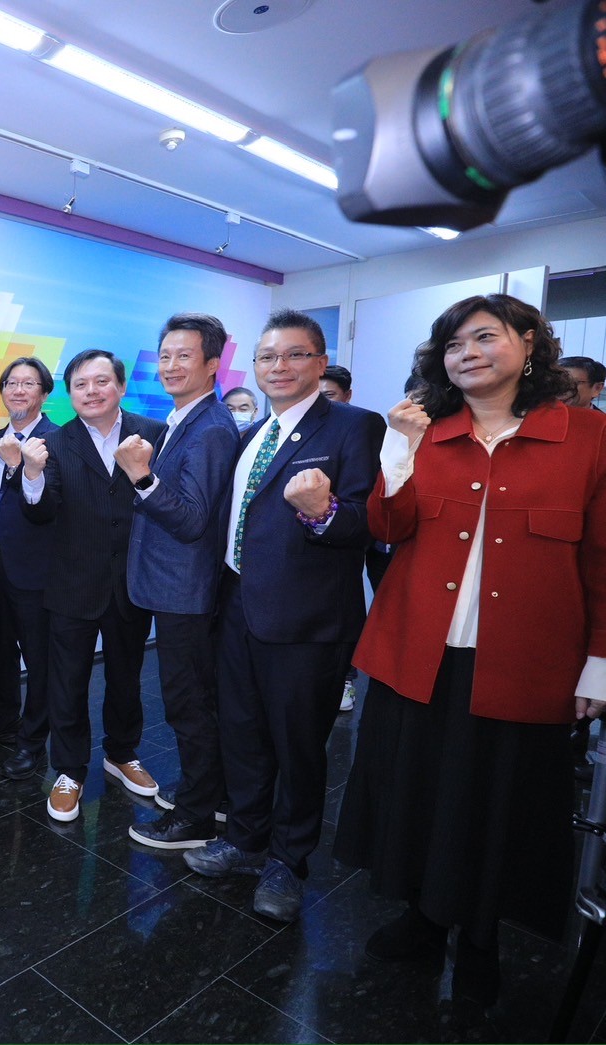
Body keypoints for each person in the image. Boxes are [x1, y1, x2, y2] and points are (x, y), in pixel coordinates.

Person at [336, 294, 606, 1007]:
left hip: (524, 663)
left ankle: (481, 938)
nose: (467, 353)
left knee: (497, 806)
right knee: (417, 792)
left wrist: (600, 660)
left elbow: (603, 558)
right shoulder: (427, 430)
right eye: (453, 345)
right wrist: (398, 447)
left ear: (528, 343)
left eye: (485, 337)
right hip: (419, 652)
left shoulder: (587, 436)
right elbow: (387, 526)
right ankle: (422, 918)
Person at [182, 309, 378, 924]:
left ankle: (288, 862)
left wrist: (323, 510)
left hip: (305, 622)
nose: (279, 366)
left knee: (298, 746)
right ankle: (245, 841)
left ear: (321, 363)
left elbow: (368, 522)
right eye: (267, 357)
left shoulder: (353, 426)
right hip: (237, 607)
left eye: (295, 354)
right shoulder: (251, 435)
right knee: (242, 733)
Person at [20, 350, 166, 822]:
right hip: (72, 583)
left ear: (120, 386)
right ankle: (68, 770)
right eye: (80, 385)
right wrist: (31, 475)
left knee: (127, 676)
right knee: (67, 683)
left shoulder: (154, 432)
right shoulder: (53, 443)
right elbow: (41, 511)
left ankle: (122, 753)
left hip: (131, 582)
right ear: (70, 394)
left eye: (101, 381)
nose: (91, 391)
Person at [114, 315, 240, 848]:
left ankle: (194, 816)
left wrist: (141, 477)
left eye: (183, 356)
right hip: (173, 585)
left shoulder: (210, 428)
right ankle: (210, 793)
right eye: (165, 355)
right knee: (193, 699)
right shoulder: (185, 418)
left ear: (212, 364)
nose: (170, 365)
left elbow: (190, 519)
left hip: (186, 589)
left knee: (188, 704)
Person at [0, 357, 60, 781]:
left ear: (44, 393)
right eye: (11, 383)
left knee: (39, 660)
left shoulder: (58, 440)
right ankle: (5, 719)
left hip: (35, 569)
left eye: (28, 383)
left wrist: (17, 466)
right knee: (0, 651)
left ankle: (33, 740)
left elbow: (48, 507)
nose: (17, 390)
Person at [317, 363, 389, 713]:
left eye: (330, 395)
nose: (322, 402)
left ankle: (347, 677)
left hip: (354, 534)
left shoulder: (360, 426)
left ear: (347, 396)